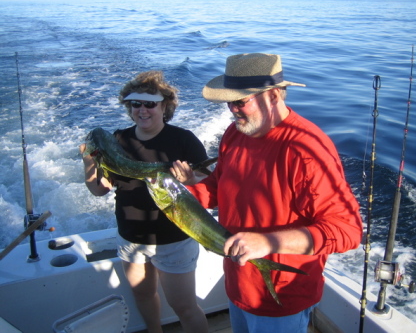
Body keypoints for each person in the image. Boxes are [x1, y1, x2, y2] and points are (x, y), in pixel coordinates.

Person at [174, 53, 363, 333]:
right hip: (237, 285)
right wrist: (183, 195)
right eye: (229, 102)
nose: (233, 110)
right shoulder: (235, 133)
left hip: (281, 298)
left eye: (240, 101)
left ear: (274, 96)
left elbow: (348, 231)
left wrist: (268, 243)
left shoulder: (307, 150)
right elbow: (217, 187)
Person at [80, 70, 208, 333]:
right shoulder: (118, 140)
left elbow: (207, 180)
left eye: (150, 103)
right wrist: (88, 163)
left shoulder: (183, 139)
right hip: (131, 236)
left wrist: (190, 179)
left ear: (165, 106)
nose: (142, 110)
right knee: (143, 296)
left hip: (174, 237)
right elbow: (100, 189)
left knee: (184, 307)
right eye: (135, 104)